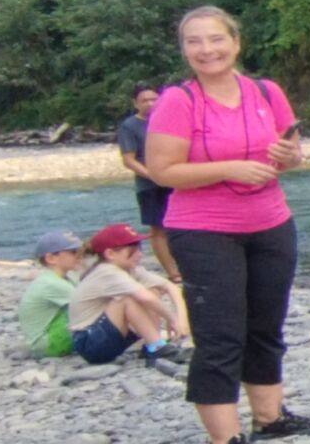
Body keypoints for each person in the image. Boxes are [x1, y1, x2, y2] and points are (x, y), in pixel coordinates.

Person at [143, 5, 310, 444]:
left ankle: (270, 417)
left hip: (270, 221)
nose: (207, 50)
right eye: (194, 42)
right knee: (220, 335)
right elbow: (162, 170)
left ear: (236, 42)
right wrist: (228, 168)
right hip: (204, 229)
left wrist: (289, 155)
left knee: (266, 323)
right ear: (184, 50)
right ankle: (225, 443)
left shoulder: (266, 92)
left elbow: (293, 157)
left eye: (215, 39)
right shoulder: (178, 101)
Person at [68, 223, 187, 366]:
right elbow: (145, 298)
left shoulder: (131, 269)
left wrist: (181, 320)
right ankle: (156, 347)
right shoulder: (106, 271)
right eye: (133, 249)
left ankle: (152, 345)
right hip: (88, 342)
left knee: (153, 289)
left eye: (140, 248)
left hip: (106, 335)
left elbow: (171, 287)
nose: (140, 254)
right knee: (126, 299)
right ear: (110, 254)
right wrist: (171, 319)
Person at [116, 85, 181, 282]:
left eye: (154, 99)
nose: (151, 104)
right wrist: (153, 175)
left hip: (175, 179)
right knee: (158, 228)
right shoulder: (130, 126)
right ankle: (173, 272)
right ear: (136, 103)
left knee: (182, 224)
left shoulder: (168, 120)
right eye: (145, 100)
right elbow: (129, 159)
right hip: (150, 185)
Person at [19, 231, 83, 359]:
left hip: (47, 337)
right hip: (46, 344)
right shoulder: (50, 283)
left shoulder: (66, 277)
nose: (79, 256)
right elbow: (88, 303)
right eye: (72, 252)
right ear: (51, 258)